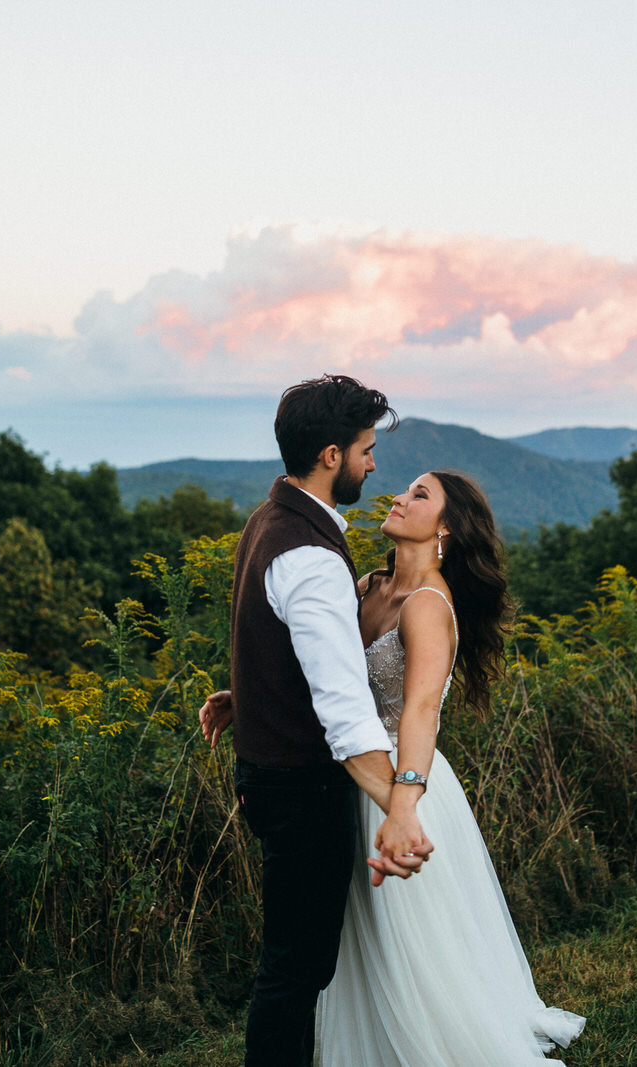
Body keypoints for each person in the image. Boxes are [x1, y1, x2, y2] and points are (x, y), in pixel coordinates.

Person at [313, 468, 586, 1064]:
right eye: (405, 488)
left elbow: (420, 709)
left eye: (419, 495)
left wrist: (403, 799)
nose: (399, 497)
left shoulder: (429, 605)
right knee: (360, 929)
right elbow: (324, 672)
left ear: (446, 528)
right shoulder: (368, 587)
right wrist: (249, 698)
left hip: (402, 783)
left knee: (408, 938)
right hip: (353, 774)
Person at [196, 374, 430, 1067]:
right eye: (364, 448)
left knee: (294, 965)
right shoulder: (309, 554)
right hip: (304, 789)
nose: (373, 463)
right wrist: (399, 807)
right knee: (297, 971)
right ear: (331, 455)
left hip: (270, 776)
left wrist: (249, 694)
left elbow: (279, 639)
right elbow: (346, 710)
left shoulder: (270, 522)